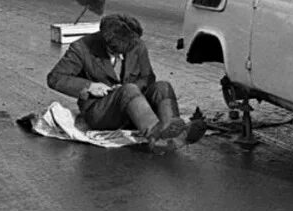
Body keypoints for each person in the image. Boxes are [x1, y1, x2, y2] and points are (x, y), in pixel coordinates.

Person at [47, 14, 203, 151]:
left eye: (125, 53)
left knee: (162, 86)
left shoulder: (136, 44)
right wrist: (89, 86)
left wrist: (132, 89)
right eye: (116, 53)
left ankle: (173, 130)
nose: (122, 58)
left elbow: (148, 78)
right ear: (106, 43)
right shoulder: (81, 48)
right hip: (101, 111)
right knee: (128, 90)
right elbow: (55, 78)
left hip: (136, 107)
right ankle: (156, 137)